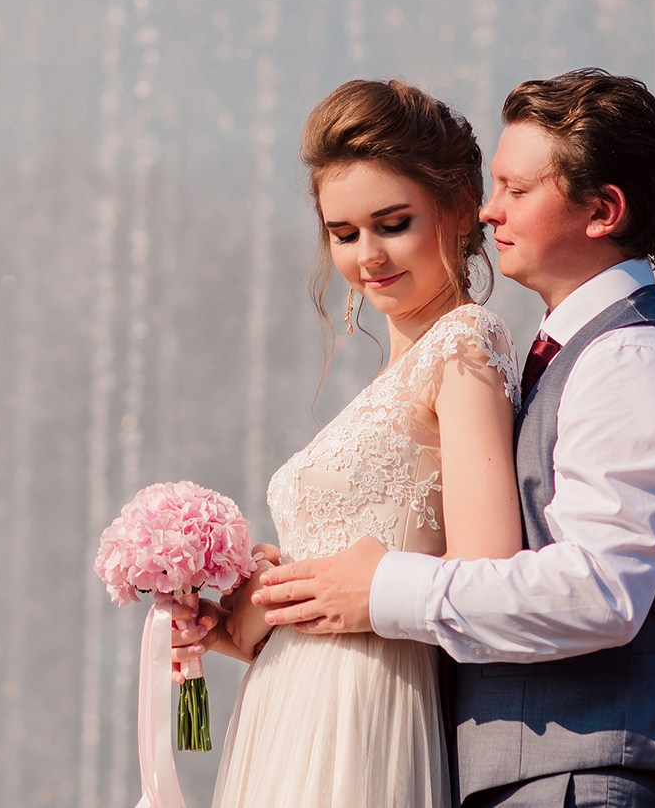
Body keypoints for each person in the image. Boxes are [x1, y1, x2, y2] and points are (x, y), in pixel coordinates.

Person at [245, 69, 655, 807]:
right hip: (530, 773)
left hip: (589, 778)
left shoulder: (633, 357)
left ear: (603, 208)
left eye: (516, 190)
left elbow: (602, 590)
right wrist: (284, 606)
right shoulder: (564, 359)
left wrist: (381, 585)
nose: (488, 210)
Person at [174, 79, 525, 807]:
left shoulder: (465, 344)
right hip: (293, 703)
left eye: (392, 222)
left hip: (365, 709)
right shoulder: (401, 371)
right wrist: (260, 603)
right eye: (343, 232)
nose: (367, 255)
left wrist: (349, 586)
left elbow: (489, 570)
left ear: (461, 210)